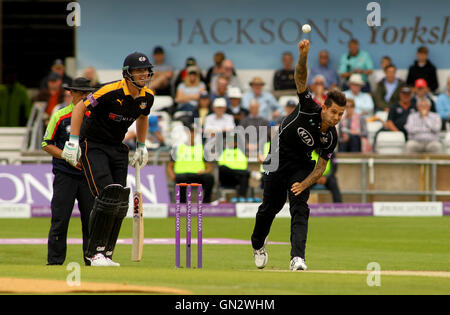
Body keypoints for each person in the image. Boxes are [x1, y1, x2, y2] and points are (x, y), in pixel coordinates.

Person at [251, 39, 346, 271]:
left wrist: (303, 184)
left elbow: (321, 168)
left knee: (300, 208)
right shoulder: (307, 106)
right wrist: (303, 56)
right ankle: (258, 244)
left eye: (341, 114)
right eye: (333, 112)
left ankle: (297, 258)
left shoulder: (331, 137)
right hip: (277, 157)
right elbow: (301, 78)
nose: (336, 117)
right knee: (269, 208)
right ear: (324, 108)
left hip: (301, 165)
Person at [61, 51, 154, 267]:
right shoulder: (109, 91)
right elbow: (79, 108)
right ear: (127, 73)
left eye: (145, 70)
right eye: (137, 70)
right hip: (93, 145)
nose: (142, 74)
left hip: (117, 148)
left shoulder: (147, 96)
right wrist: (73, 140)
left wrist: (141, 145)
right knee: (107, 194)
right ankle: (94, 253)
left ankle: (107, 253)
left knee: (120, 200)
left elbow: (143, 117)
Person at [42, 78, 95, 266]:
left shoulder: (94, 116)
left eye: (87, 93)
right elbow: (46, 144)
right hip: (65, 175)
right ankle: (55, 261)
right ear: (72, 93)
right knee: (60, 218)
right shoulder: (60, 115)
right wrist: (67, 156)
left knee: (91, 221)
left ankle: (92, 259)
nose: (84, 97)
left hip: (89, 176)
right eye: (81, 93)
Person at [167, 125, 214, 203]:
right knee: (180, 179)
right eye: (189, 133)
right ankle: (182, 203)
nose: (191, 135)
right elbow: (169, 166)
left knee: (209, 178)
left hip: (198, 175)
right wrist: (173, 176)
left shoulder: (201, 149)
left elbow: (209, 167)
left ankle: (206, 203)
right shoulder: (177, 148)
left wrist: (204, 172)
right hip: (182, 175)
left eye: (193, 133)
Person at [218, 132, 250, 199]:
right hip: (227, 178)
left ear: (236, 143)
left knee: (245, 175)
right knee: (223, 168)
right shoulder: (224, 151)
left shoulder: (241, 152)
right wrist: (234, 171)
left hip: (237, 178)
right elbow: (221, 165)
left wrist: (234, 171)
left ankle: (242, 197)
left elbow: (244, 167)